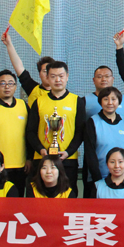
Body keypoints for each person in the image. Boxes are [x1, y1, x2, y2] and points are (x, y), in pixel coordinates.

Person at [26, 60, 86, 198]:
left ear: (67, 76)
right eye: (53, 76)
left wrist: (68, 152)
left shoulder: (77, 101)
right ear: (47, 78)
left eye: (61, 76)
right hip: (42, 159)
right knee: (39, 195)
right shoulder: (39, 101)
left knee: (69, 195)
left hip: (67, 159)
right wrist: (40, 149)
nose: (57, 80)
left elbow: (80, 132)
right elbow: (30, 131)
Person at [84, 87, 124, 196]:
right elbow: (90, 152)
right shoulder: (92, 122)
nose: (110, 103)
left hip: (122, 177)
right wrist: (97, 179)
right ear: (100, 102)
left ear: (119, 102)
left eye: (113, 99)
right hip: (99, 177)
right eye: (106, 99)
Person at [1, 29, 53, 107]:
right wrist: (9, 44)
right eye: (45, 71)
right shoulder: (33, 88)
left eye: (50, 71)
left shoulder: (62, 93)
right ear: (39, 74)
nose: (47, 74)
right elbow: (19, 67)